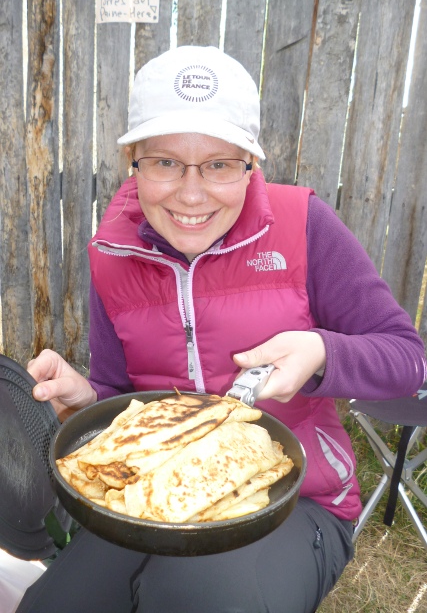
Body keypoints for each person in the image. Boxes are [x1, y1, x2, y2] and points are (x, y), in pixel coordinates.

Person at [17, 46, 426, 613]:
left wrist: (320, 353)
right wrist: (87, 398)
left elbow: (408, 359)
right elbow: (125, 397)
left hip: (292, 501)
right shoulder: (111, 253)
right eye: (164, 162)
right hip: (153, 502)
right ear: (133, 160)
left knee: (191, 595)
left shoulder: (304, 227)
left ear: (249, 165)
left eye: (219, 164)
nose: (191, 193)